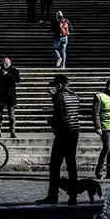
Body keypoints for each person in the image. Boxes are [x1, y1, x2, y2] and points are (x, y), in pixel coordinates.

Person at [36, 75, 81, 206]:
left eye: (55, 85)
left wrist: (50, 121)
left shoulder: (59, 96)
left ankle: (53, 195)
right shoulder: (74, 96)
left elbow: (59, 116)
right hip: (74, 131)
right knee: (71, 164)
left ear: (60, 85)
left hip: (63, 132)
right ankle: (73, 196)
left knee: (55, 165)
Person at [0, 58, 21, 139]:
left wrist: (7, 74)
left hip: (10, 95)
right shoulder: (0, 71)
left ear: (10, 63)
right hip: (0, 95)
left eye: (6, 62)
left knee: (11, 115)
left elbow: (17, 80)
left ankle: (12, 131)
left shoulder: (14, 70)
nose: (4, 63)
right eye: (3, 62)